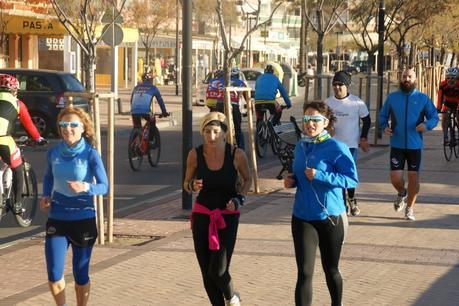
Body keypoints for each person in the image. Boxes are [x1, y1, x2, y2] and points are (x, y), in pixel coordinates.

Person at [284, 101, 358, 306]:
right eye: (306, 119)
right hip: (302, 217)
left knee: (330, 269)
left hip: (330, 218)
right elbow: (300, 176)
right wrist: (292, 180)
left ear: (325, 122)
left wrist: (322, 176)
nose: (310, 124)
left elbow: (351, 180)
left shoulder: (336, 147)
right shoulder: (301, 146)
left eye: (315, 119)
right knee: (304, 273)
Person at [40, 107, 108, 306]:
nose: (67, 129)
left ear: (83, 127)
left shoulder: (90, 154)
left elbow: (104, 186)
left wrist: (85, 187)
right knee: (53, 274)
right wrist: (46, 195)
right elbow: (48, 177)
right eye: (63, 125)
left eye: (73, 125)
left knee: (80, 274)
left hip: (83, 220)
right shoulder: (53, 152)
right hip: (57, 218)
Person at [183, 112, 251, 306]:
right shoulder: (195, 154)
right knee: (206, 272)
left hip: (227, 217)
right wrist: (192, 185)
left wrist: (239, 199)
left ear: (224, 133)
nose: (211, 136)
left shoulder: (236, 154)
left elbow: (247, 179)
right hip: (202, 217)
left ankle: (232, 297)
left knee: (218, 270)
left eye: (215, 131)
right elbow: (186, 182)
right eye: (206, 132)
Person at [379, 68, 438, 221]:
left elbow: (434, 117)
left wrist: (427, 125)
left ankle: (410, 208)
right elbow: (382, 115)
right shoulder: (392, 98)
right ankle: (401, 193)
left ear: (415, 79)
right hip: (397, 144)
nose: (406, 79)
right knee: (395, 179)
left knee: (414, 179)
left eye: (409, 76)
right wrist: (384, 126)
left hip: (415, 146)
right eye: (404, 76)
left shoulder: (423, 98)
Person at [326, 70, 371, 216]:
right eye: (335, 85)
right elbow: (322, 122)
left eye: (340, 84)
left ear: (347, 86)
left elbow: (367, 120)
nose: (337, 87)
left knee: (349, 173)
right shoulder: (328, 103)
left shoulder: (356, 102)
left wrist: (363, 138)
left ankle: (351, 198)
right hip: (333, 145)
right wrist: (327, 128)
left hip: (350, 145)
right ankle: (341, 203)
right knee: (337, 174)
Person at [0, 73, 45, 214]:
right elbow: (29, 124)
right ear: (13, 90)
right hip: (3, 140)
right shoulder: (17, 103)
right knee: (17, 167)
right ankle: (17, 204)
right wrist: (38, 138)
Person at [206, 67, 247, 150]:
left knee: (214, 128)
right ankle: (240, 150)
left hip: (214, 105)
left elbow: (208, 99)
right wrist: (250, 109)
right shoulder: (240, 82)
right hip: (233, 105)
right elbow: (248, 99)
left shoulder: (212, 82)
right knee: (237, 128)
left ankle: (212, 146)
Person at [130, 72, 169, 140]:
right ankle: (151, 140)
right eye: (152, 79)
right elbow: (160, 101)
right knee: (152, 120)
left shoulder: (136, 87)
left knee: (137, 127)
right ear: (150, 80)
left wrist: (134, 109)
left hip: (134, 111)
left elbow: (131, 100)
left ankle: (134, 144)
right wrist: (164, 112)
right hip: (146, 111)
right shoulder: (153, 88)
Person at [436, 67, 459, 135]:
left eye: (453, 78)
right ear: (446, 78)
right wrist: (438, 108)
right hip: (448, 103)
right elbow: (440, 97)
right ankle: (445, 135)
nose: (450, 80)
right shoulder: (443, 84)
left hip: (457, 103)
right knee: (444, 118)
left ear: (457, 78)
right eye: (448, 78)